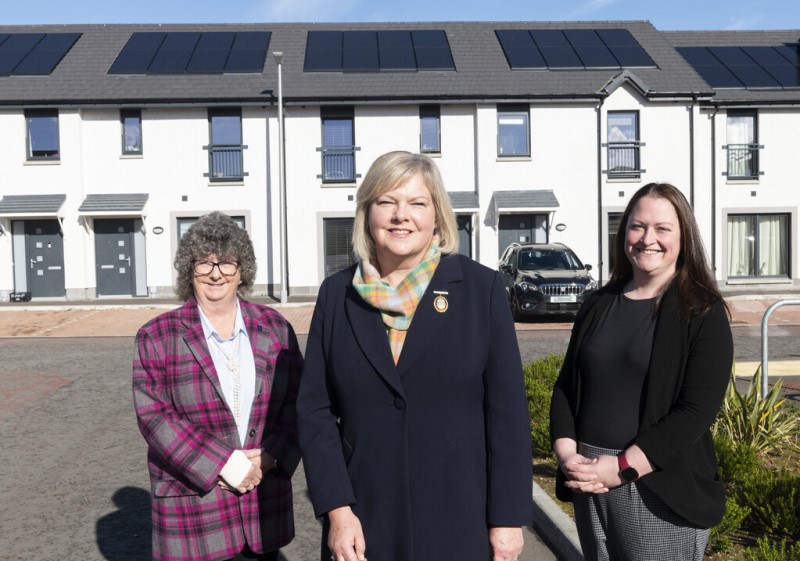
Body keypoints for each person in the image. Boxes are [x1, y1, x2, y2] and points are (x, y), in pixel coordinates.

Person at [297, 151, 533, 561]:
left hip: (460, 518)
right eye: (386, 202)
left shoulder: (483, 291)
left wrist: (508, 519)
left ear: (438, 216)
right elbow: (314, 411)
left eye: (417, 203)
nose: (400, 216)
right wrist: (337, 510)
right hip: (362, 522)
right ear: (367, 213)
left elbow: (508, 415)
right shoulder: (336, 295)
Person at [550, 183, 734, 561]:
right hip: (589, 479)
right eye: (637, 226)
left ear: (683, 237)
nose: (647, 239)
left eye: (662, 229)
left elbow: (695, 411)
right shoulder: (598, 303)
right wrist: (568, 455)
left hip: (656, 484)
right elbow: (567, 386)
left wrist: (622, 468)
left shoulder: (702, 312)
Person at [132, 211, 303, 561]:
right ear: (188, 268)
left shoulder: (276, 328)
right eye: (204, 263)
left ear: (242, 270)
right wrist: (222, 464)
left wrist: (272, 457)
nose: (215, 273)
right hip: (194, 512)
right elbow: (154, 417)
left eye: (226, 263)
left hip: (262, 505)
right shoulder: (156, 335)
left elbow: (299, 403)